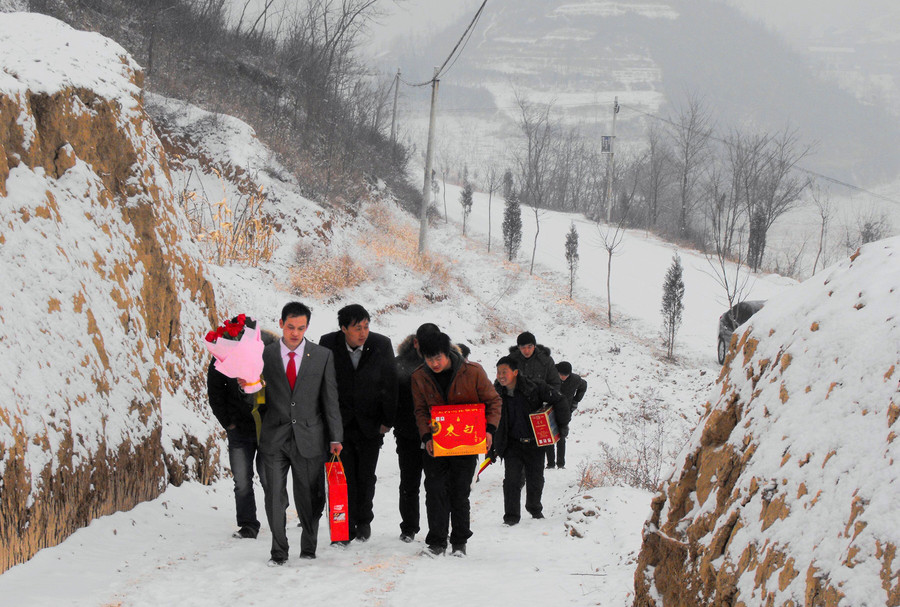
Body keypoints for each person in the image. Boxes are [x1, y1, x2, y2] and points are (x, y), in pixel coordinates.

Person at [250, 301, 343, 566]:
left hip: (310, 436)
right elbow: (255, 398)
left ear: (307, 328)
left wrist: (335, 436)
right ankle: (278, 551)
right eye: (290, 327)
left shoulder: (322, 355)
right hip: (274, 437)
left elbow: (330, 399)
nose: (294, 333)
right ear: (281, 324)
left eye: (300, 328)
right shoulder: (264, 355)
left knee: (310, 496)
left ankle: (309, 546)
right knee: (274, 496)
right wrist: (246, 386)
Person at [412, 331, 502, 557]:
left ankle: (459, 541)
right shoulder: (419, 376)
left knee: (459, 492)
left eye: (438, 358)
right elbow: (421, 410)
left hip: (466, 443)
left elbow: (493, 401)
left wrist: (489, 429)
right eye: (429, 359)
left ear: (448, 352)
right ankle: (437, 542)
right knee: (434, 491)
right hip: (436, 444)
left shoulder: (472, 371)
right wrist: (426, 437)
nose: (434, 363)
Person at [319, 304, 398, 543]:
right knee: (343, 477)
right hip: (338, 424)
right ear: (343, 328)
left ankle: (364, 520)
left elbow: (391, 383)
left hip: (370, 423)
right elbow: (320, 383)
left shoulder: (381, 344)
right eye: (356, 328)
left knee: (366, 476)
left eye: (365, 326)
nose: (362, 333)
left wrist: (387, 421)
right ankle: (346, 526)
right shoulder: (328, 343)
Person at [207, 322, 268, 540]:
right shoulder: (221, 359)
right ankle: (248, 525)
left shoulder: (264, 353)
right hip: (239, 429)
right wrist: (228, 423)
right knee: (242, 480)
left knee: (269, 476)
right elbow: (214, 393)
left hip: (266, 427)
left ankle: (277, 515)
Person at [493, 356, 569, 525]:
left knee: (535, 478)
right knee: (511, 481)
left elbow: (560, 399)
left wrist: (562, 426)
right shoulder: (496, 392)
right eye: (498, 372)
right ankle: (511, 516)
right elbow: (490, 416)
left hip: (534, 442)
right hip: (511, 443)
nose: (501, 376)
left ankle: (534, 508)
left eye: (504, 372)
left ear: (515, 372)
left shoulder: (535, 387)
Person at [393, 323, 440, 543]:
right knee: (409, 483)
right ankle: (409, 527)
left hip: (440, 434)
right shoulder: (400, 364)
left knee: (436, 485)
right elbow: (389, 397)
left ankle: (438, 529)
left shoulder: (444, 364)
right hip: (408, 434)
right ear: (415, 343)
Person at [544, 361, 588, 470]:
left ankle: (561, 464)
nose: (564, 377)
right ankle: (550, 464)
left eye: (566, 375)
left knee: (561, 436)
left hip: (565, 411)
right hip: (550, 410)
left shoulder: (575, 379)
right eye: (561, 375)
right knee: (549, 435)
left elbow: (584, 385)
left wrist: (576, 401)